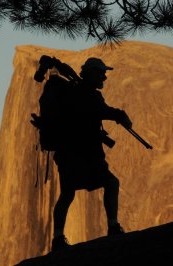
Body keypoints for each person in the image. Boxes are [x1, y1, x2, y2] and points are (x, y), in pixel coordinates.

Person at [51, 57, 132, 252]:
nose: (104, 76)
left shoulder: (74, 92)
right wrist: (120, 115)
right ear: (93, 73)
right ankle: (113, 226)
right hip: (85, 156)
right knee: (111, 183)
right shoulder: (87, 94)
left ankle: (57, 238)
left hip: (68, 155)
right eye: (102, 73)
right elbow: (100, 111)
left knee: (67, 193)